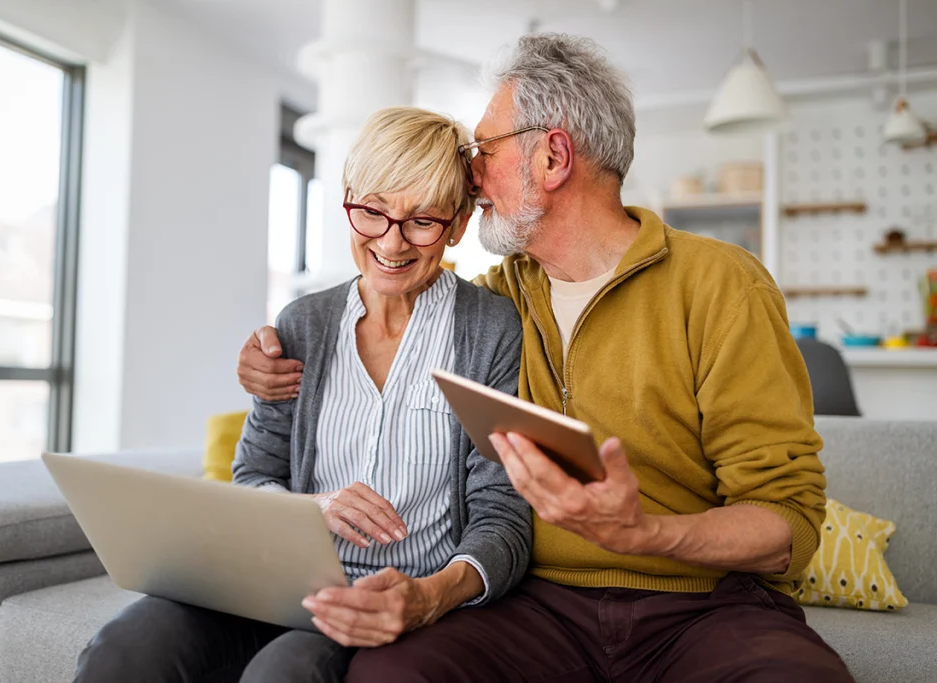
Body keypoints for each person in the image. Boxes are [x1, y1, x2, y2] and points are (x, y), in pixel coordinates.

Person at [237, 34, 854, 683]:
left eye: (485, 150)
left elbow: (789, 523)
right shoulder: (498, 302)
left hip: (704, 606)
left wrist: (643, 531)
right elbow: (393, 309)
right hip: (536, 605)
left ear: (553, 155)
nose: (472, 175)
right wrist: (266, 366)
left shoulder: (722, 285)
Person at [72, 106, 531, 683]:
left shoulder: (491, 331)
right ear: (347, 201)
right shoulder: (302, 325)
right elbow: (253, 476)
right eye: (372, 212)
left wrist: (428, 595)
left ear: (458, 224)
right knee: (125, 649)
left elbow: (502, 515)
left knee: (284, 672)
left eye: (422, 221)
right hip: (277, 582)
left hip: (392, 597)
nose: (392, 242)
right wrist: (315, 506)